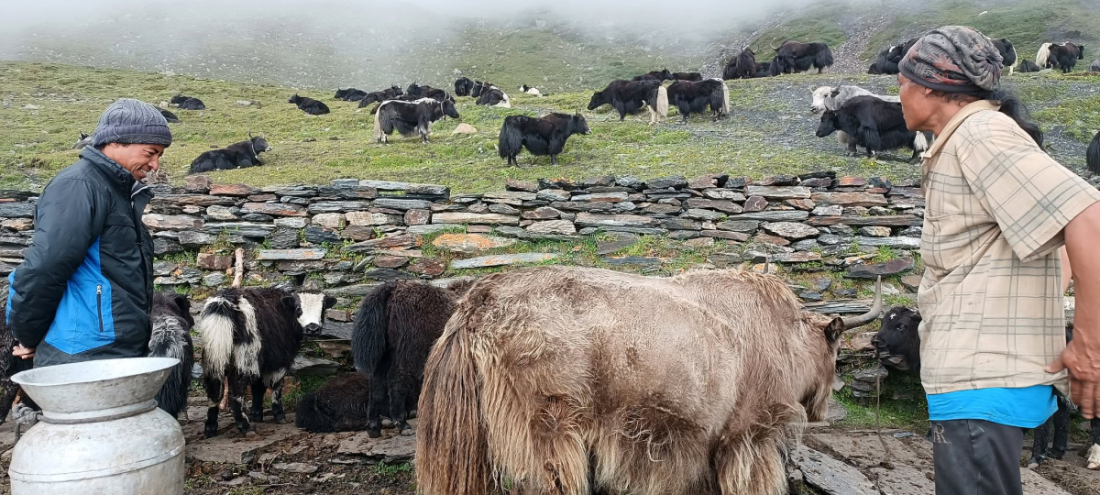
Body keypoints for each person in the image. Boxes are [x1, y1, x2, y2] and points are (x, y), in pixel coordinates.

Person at [897, 26, 1100, 494]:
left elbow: (1088, 218)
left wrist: (1089, 343)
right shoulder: (966, 137)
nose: (899, 94)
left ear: (931, 86)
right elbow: (1061, 234)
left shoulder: (980, 134)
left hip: (981, 381)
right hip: (976, 379)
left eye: (903, 82)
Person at [6, 98, 170, 368]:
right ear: (116, 141)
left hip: (111, 351)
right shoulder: (79, 187)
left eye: (159, 156)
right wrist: (29, 335)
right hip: (80, 354)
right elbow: (46, 267)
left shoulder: (116, 191)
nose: (155, 165)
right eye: (150, 153)